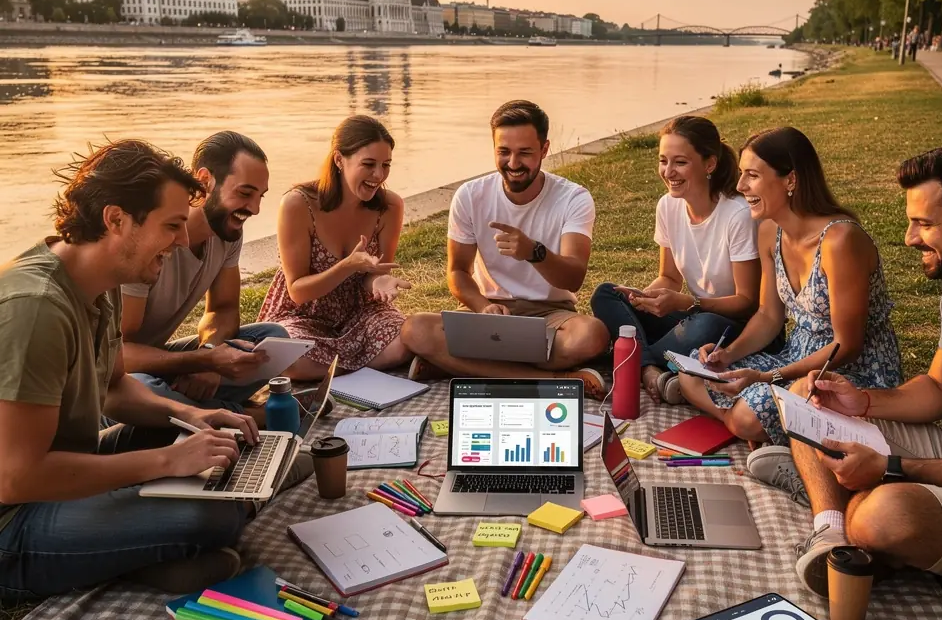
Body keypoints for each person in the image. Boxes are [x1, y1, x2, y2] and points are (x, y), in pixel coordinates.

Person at [0, 140, 276, 604]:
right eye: (171, 225)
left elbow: (113, 388)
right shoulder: (36, 309)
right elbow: (16, 477)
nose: (185, 239)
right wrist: (168, 461)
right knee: (213, 517)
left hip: (64, 475)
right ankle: (136, 560)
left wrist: (191, 418)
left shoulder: (96, 284)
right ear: (115, 220)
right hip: (14, 518)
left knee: (186, 444)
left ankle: (135, 553)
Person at [788, 145, 942, 593]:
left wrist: (891, 468)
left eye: (925, 223)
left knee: (884, 516)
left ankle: (842, 498)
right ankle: (832, 525)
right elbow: (937, 388)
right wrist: (863, 402)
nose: (909, 238)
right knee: (805, 398)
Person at [675, 126, 902, 483]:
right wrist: (729, 355)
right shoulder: (770, 231)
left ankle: (751, 427)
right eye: (741, 176)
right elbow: (768, 315)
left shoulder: (841, 240)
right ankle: (763, 430)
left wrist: (767, 377)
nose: (740, 187)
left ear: (790, 179)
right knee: (692, 372)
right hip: (795, 355)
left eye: (752, 176)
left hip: (847, 371)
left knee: (748, 414)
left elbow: (847, 344)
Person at [401, 100, 609, 396]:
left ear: (544, 149)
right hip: (489, 311)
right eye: (504, 152)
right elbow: (458, 272)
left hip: (550, 314)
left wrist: (534, 252)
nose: (513, 163)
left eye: (524, 153)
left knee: (591, 335)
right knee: (415, 329)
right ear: (493, 147)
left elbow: (573, 278)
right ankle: (554, 380)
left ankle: (455, 365)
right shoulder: (471, 196)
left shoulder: (573, 198)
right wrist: (482, 306)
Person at [590, 116, 760, 403]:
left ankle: (631, 359)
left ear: (709, 164)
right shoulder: (667, 205)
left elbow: (747, 301)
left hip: (729, 324)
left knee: (704, 325)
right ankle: (650, 368)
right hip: (690, 315)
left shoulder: (737, 215)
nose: (669, 172)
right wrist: (645, 298)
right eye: (663, 161)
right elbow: (669, 277)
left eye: (680, 162)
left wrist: (688, 303)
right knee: (607, 294)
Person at [122, 131, 286, 413]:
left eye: (260, 196)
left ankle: (188, 411)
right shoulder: (151, 235)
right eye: (245, 193)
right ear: (204, 181)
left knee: (273, 339)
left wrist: (210, 352)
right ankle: (240, 416)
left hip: (164, 364)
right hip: (118, 376)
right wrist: (201, 362)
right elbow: (117, 353)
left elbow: (222, 309)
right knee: (141, 387)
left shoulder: (227, 230)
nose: (255, 209)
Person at [258, 115, 411, 380]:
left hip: (361, 313)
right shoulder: (298, 204)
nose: (379, 175)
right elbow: (298, 292)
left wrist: (378, 281)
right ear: (339, 160)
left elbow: (374, 271)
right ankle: (368, 365)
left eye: (386, 165)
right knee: (284, 358)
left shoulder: (390, 206)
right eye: (369, 164)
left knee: (408, 335)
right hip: (303, 315)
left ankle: (334, 371)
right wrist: (347, 266)